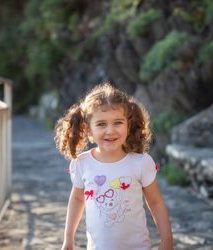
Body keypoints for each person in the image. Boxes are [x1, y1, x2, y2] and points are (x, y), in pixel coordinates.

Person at [54, 83, 173, 250]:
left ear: (128, 125)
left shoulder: (140, 163)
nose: (110, 131)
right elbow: (77, 199)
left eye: (118, 122)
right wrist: (68, 239)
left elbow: (156, 202)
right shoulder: (82, 163)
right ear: (88, 130)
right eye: (101, 124)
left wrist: (167, 241)